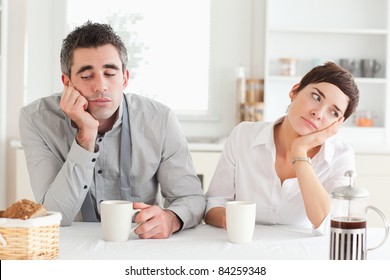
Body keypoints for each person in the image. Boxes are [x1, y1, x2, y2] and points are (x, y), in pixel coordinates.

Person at [19, 21, 205, 239]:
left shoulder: (159, 119)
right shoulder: (36, 119)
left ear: (124, 78)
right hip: (72, 245)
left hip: (140, 241)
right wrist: (86, 135)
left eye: (110, 73)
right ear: (67, 82)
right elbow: (54, 216)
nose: (101, 86)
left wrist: (172, 218)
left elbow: (191, 197)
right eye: (87, 76)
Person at [205, 62, 359, 235]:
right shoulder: (243, 135)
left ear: (337, 125)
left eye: (334, 113)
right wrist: (232, 220)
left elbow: (327, 224)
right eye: (316, 97)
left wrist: (299, 151)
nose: (318, 113)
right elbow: (214, 204)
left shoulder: (341, 156)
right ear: (294, 91)